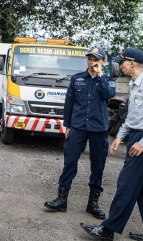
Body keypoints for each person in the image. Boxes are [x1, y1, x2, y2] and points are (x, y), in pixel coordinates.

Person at [81, 47, 143, 241]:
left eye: (122, 62)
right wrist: (120, 136)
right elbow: (133, 116)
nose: (120, 65)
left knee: (126, 184)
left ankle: (108, 229)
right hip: (137, 135)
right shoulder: (135, 84)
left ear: (132, 63)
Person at [44, 47, 115, 218]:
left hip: (98, 128)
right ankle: (61, 199)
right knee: (69, 161)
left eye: (96, 59)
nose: (92, 62)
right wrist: (67, 125)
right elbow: (69, 103)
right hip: (78, 126)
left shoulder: (108, 80)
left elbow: (108, 95)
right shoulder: (77, 79)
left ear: (103, 62)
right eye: (90, 59)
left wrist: (99, 76)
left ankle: (93, 203)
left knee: (98, 165)